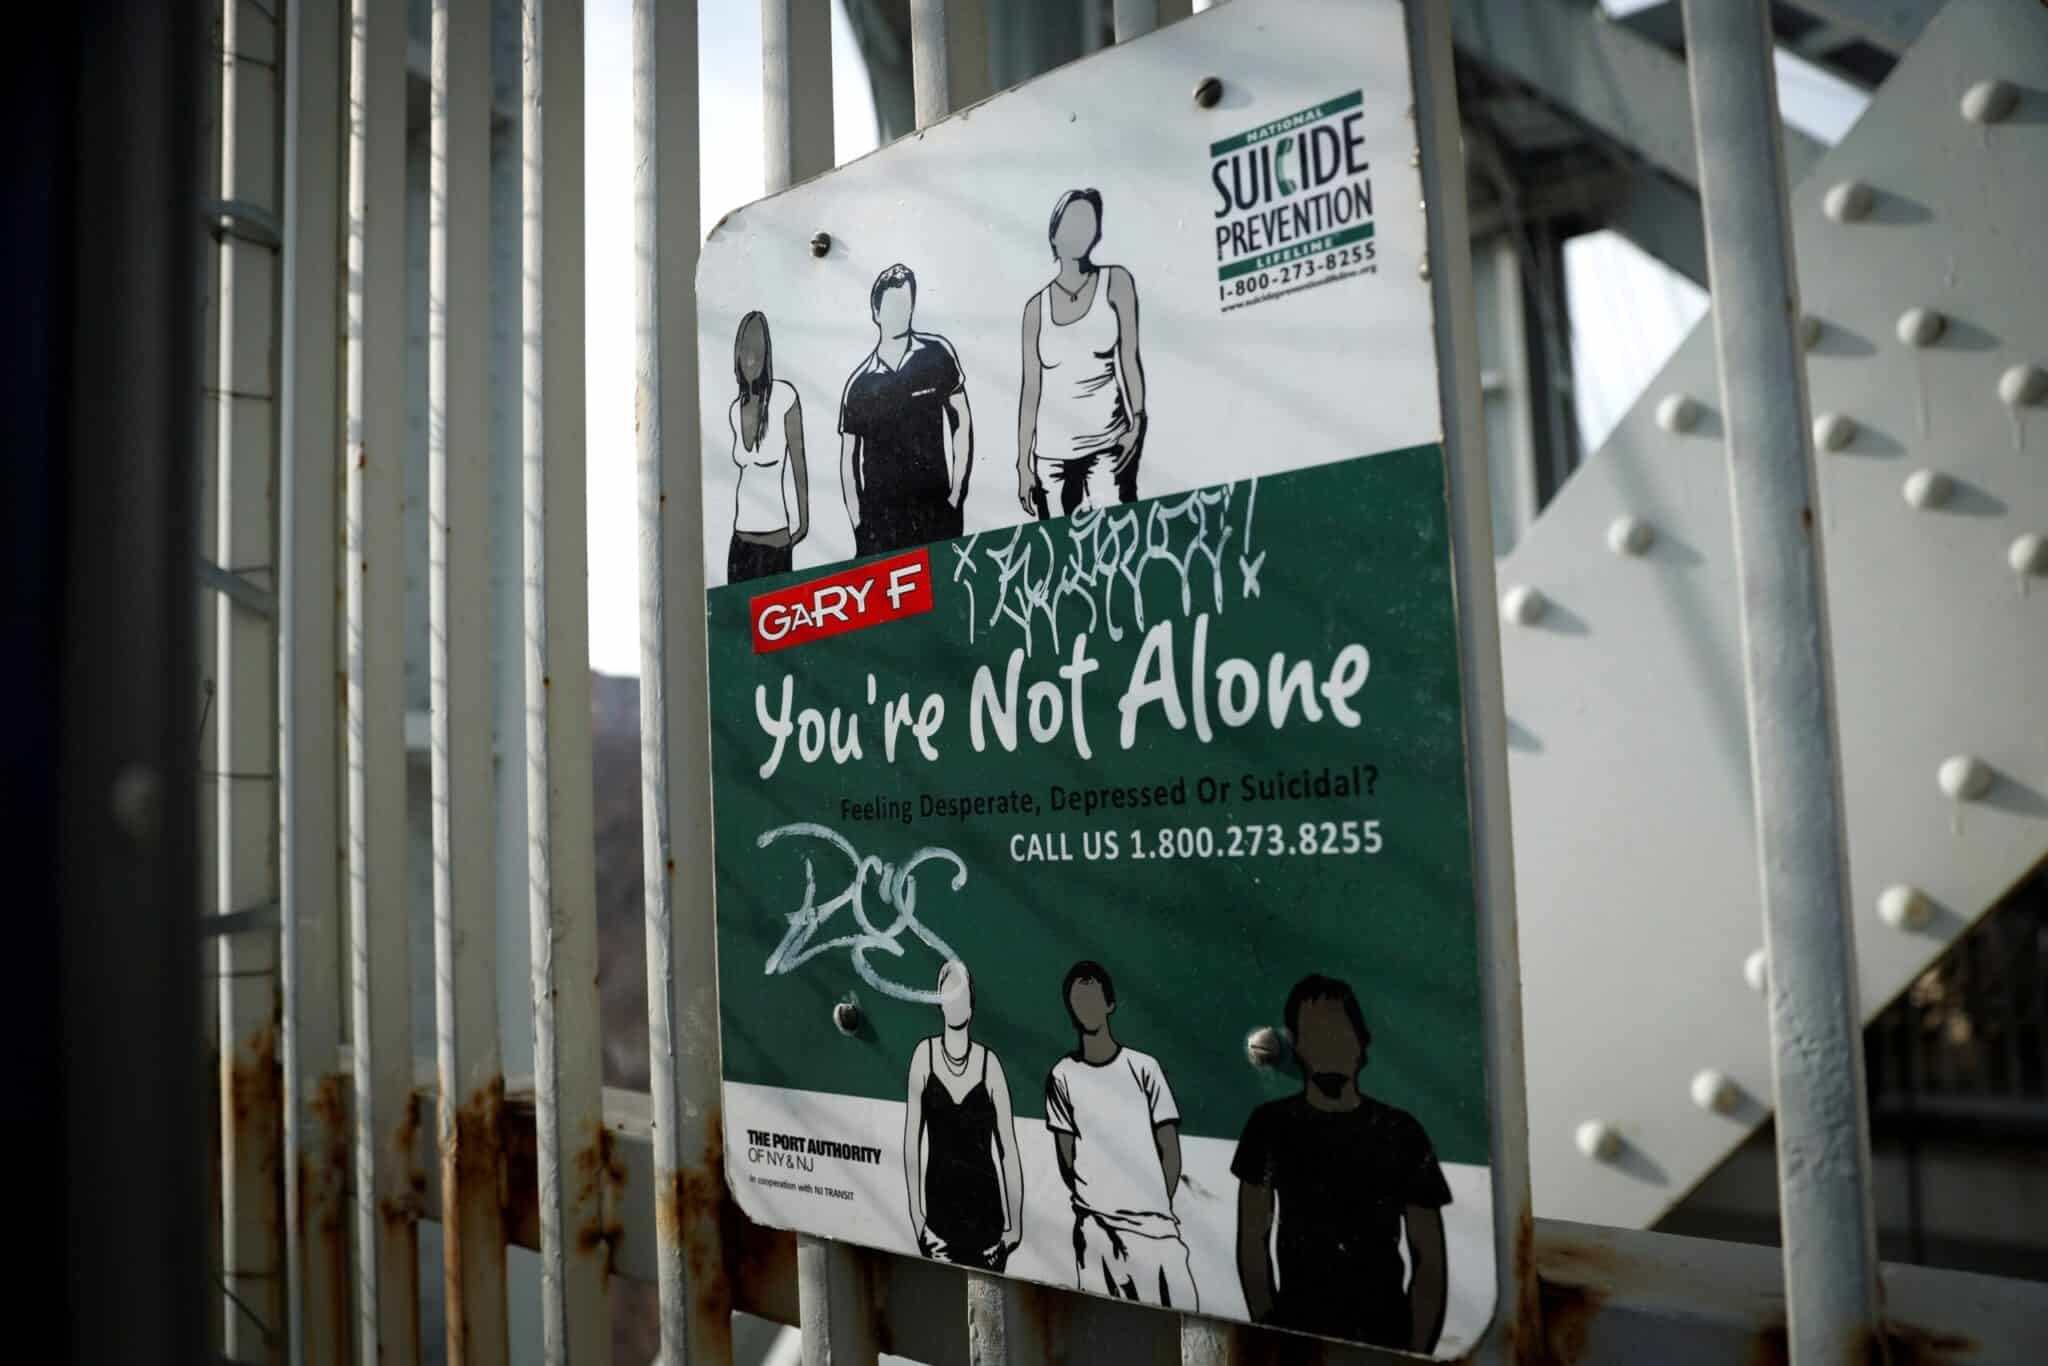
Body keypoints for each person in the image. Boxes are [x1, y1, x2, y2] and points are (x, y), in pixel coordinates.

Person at [1231, 975, 1451, 1352]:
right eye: (1313, 1032)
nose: (1327, 1043)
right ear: (1296, 1046)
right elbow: (1252, 1241)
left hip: (1385, 1336)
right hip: (1297, 1332)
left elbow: (1429, 1260)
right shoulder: (1270, 1126)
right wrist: (1269, 1330)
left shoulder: (1402, 1131)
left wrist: (1414, 1353)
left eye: (1338, 1029)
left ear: (1361, 1043)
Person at [1044, 961, 1198, 1307]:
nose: (1085, 1008)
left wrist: (1154, 1204)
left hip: (1157, 1232)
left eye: (1093, 998)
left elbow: (1169, 1149)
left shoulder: (1145, 1068)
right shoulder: (1062, 1076)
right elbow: (1065, 1155)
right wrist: (1096, 1203)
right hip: (1096, 1230)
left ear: (1110, 1004)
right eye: (1077, 1001)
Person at [1015, 189, 1148, 520]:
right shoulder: (1036, 309)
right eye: (1071, 222)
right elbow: (1030, 391)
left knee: (1118, 547)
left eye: (1088, 221)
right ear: (1054, 235)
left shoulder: (1116, 282)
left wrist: (1138, 421)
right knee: (1062, 560)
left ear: (1097, 232)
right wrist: (1023, 464)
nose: (1080, 230)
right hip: (1051, 460)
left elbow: (1129, 359)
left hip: (1109, 448)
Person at [840, 264, 973, 554]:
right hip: (881, 526)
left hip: (936, 514)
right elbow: (848, 461)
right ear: (876, 312)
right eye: (891, 305)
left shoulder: (937, 354)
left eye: (905, 303)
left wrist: (957, 495)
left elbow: (961, 420)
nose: (900, 311)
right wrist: (859, 524)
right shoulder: (859, 384)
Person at [902, 960, 1024, 1270]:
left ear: (972, 1002)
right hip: (939, 1228)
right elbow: (910, 1144)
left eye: (962, 993)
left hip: (988, 1233)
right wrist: (917, 1218)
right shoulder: (924, 1057)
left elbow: (1008, 1150)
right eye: (948, 993)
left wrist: (1015, 1227)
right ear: (938, 1002)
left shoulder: (990, 1064)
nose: (956, 1001)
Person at [725, 310, 809, 583]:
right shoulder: (734, 409)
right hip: (740, 542)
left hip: (775, 542)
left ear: (765, 356)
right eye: (745, 351)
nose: (750, 359)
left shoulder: (784, 397)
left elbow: (799, 464)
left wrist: (803, 524)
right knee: (737, 624)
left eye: (757, 353)